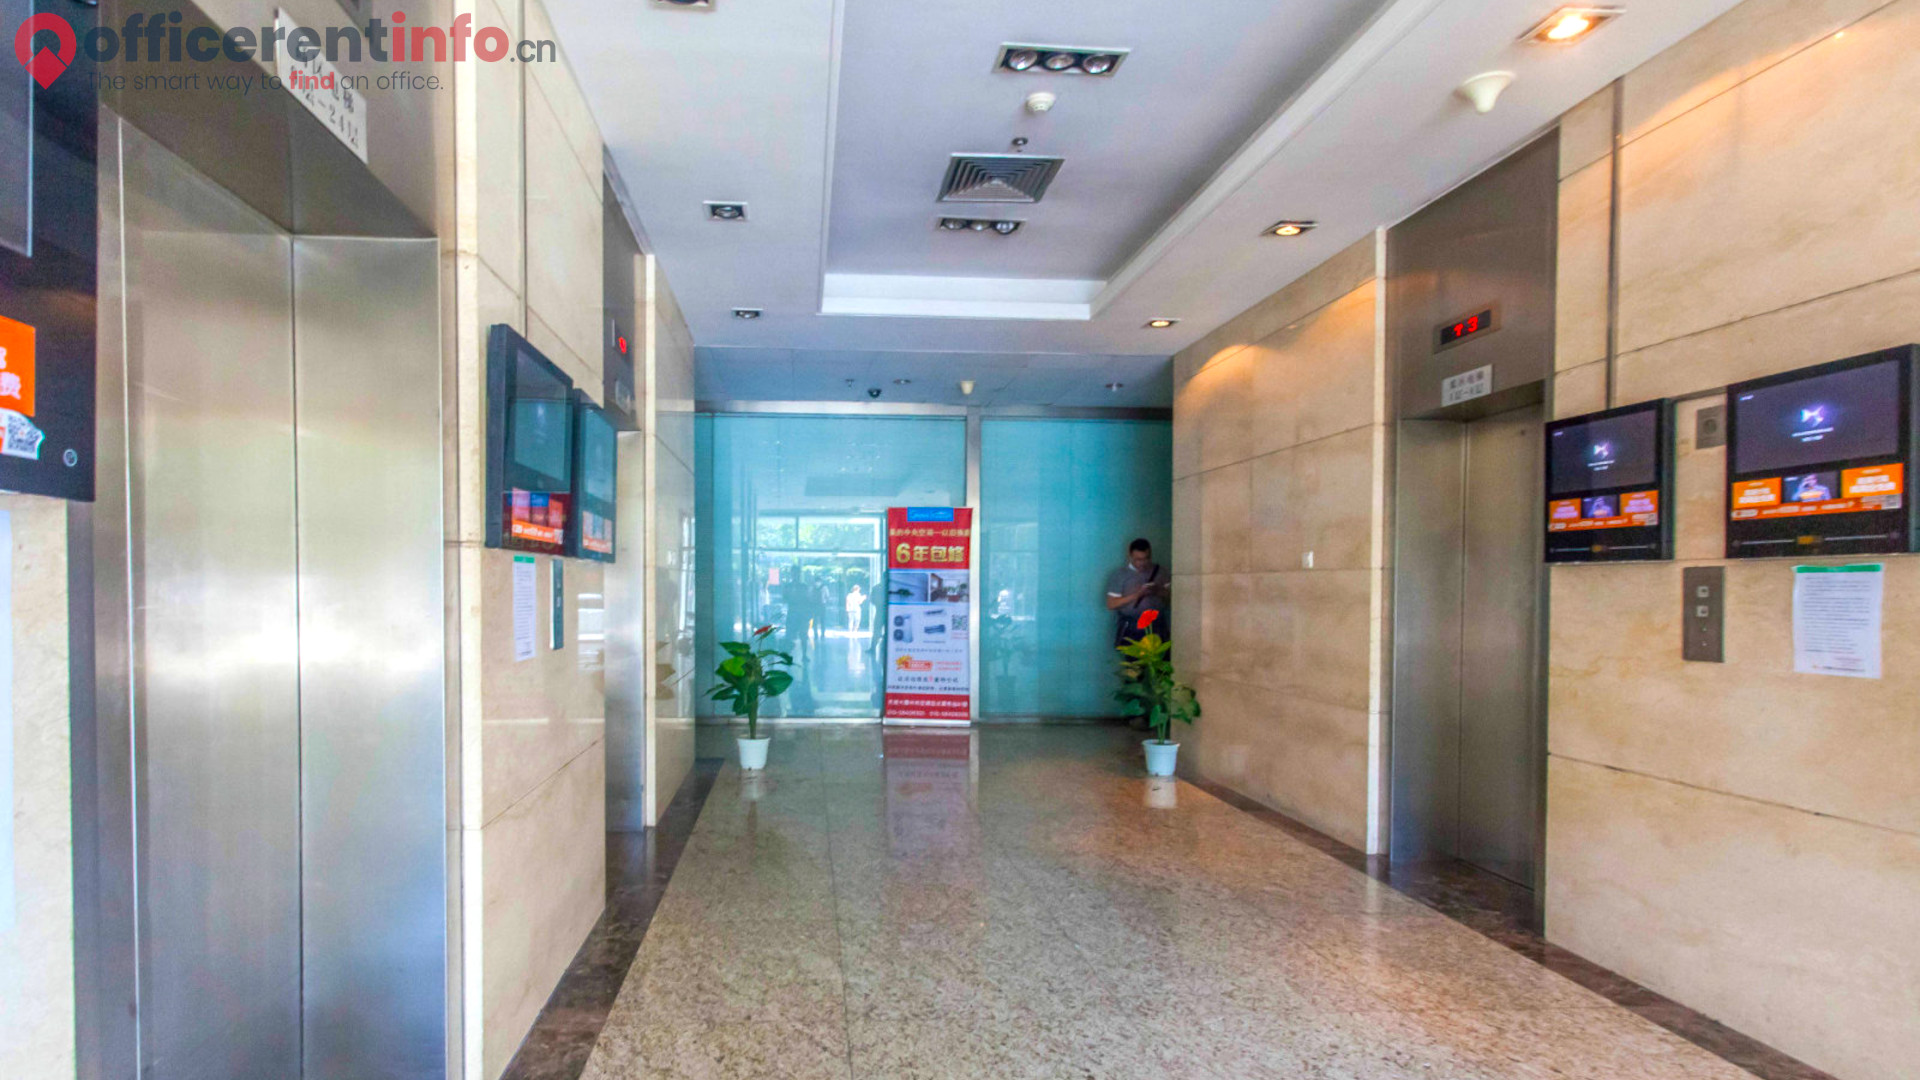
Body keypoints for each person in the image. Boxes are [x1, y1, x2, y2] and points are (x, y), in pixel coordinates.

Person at [1106, 538, 1169, 647]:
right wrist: (1136, 595)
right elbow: (1111, 604)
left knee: (1162, 656)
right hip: (1132, 625)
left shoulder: (1161, 572)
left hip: (1157, 625)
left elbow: (1172, 599)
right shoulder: (1120, 575)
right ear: (1130, 556)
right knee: (1133, 657)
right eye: (1138, 559)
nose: (1142, 563)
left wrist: (1157, 591)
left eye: (1146, 559)